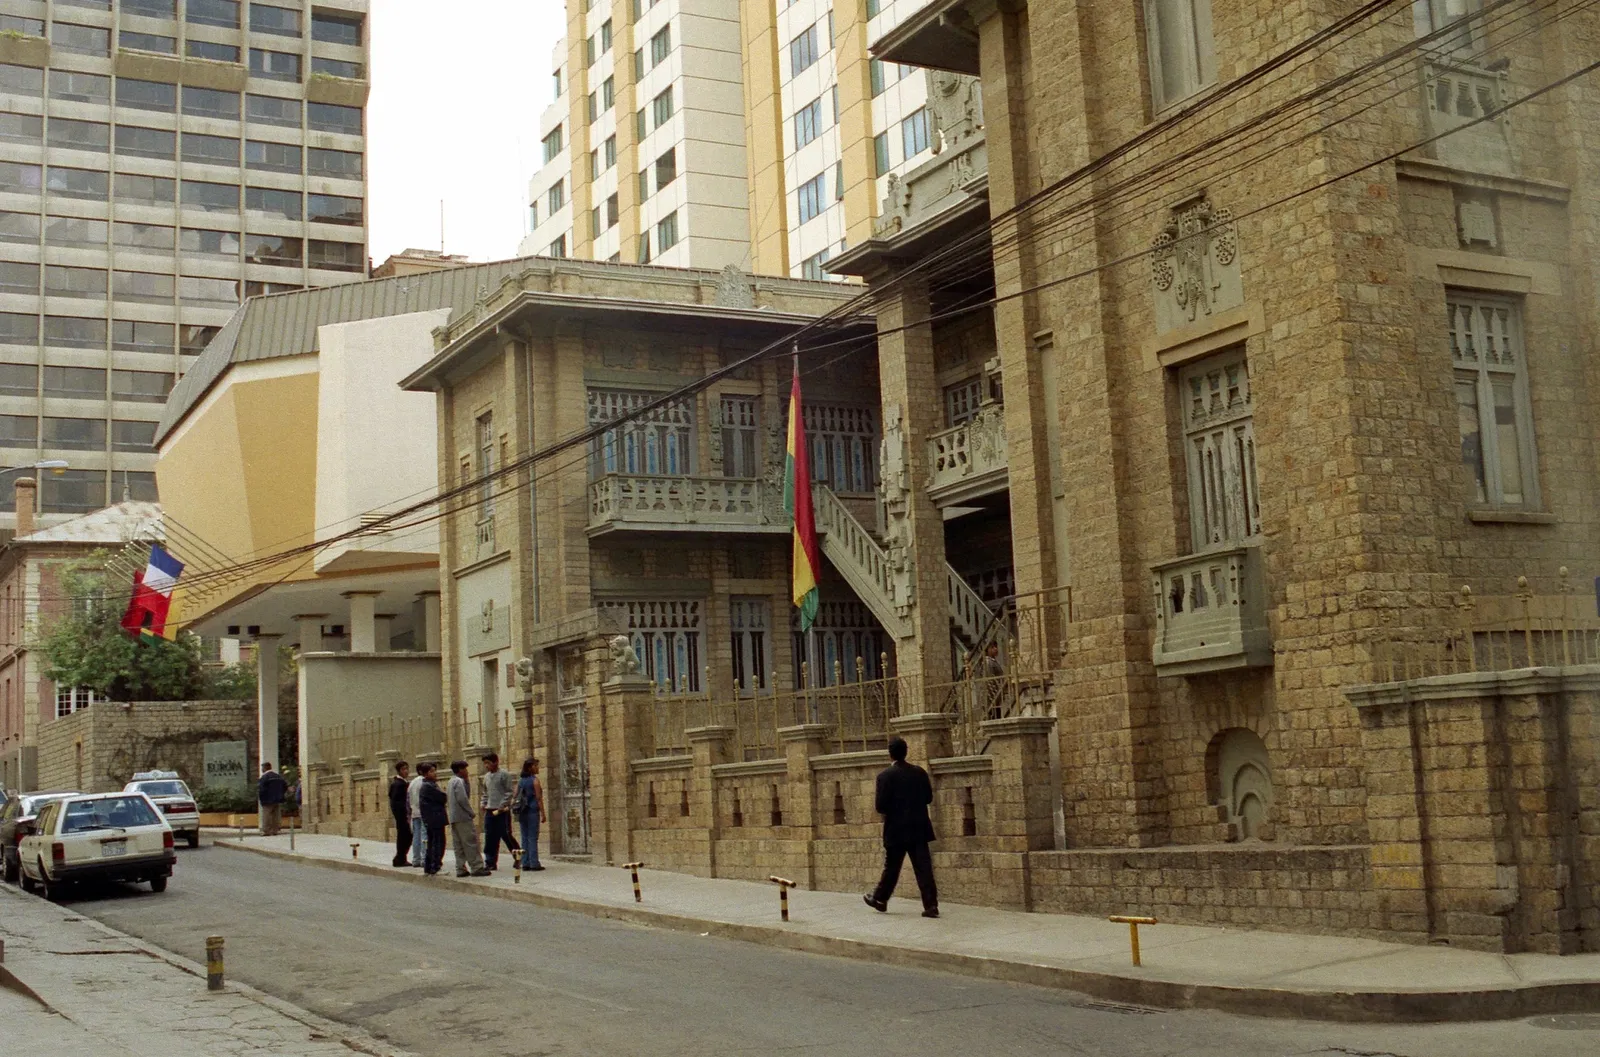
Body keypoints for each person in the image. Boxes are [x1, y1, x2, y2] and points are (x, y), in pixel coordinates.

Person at [863, 736, 939, 918]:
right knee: (924, 868)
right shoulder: (919, 772)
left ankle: (880, 898)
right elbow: (928, 798)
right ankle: (931, 906)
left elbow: (880, 806)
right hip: (919, 828)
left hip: (896, 830)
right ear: (906, 752)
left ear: (890, 754)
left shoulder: (884, 776)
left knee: (892, 867)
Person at [446, 760, 490, 877]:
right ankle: (476, 867)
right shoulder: (458, 782)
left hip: (454, 817)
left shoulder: (451, 781)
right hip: (463, 816)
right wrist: (471, 812)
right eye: (465, 769)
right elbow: (463, 799)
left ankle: (460, 868)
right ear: (460, 770)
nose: (466, 772)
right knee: (470, 842)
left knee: (458, 844)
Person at [479, 752, 520, 871]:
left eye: (488, 763)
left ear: (495, 762)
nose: (486, 766)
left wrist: (502, 805)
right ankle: (490, 862)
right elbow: (485, 793)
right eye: (485, 763)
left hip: (502, 811)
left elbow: (509, 792)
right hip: (490, 810)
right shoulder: (486, 777)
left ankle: (518, 857)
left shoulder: (504, 775)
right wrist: (483, 803)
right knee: (490, 836)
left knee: (506, 835)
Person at [515, 757, 547, 871]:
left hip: (522, 812)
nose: (537, 768)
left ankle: (525, 862)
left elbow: (515, 796)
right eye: (535, 766)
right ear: (530, 767)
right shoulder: (535, 781)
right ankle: (534, 863)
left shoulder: (521, 781)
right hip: (533, 811)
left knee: (524, 837)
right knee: (532, 837)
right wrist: (543, 813)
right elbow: (539, 798)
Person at [417, 763, 448, 876]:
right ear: (425, 774)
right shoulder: (428, 786)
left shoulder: (430, 785)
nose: (435, 773)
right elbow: (442, 797)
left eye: (434, 771)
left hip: (433, 819)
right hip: (434, 819)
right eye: (431, 771)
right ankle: (435, 866)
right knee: (437, 843)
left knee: (433, 843)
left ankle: (430, 867)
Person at [387, 760, 412, 867]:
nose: (406, 771)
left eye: (407, 768)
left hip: (401, 817)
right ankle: (400, 858)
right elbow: (397, 802)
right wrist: (404, 816)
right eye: (403, 769)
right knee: (405, 837)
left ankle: (400, 858)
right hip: (402, 817)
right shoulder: (399, 784)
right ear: (399, 771)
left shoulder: (399, 783)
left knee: (404, 837)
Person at [258, 762, 288, 837]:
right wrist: (281, 794)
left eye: (262, 768)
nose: (261, 769)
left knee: (267, 815)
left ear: (265, 768)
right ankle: (275, 830)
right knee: (276, 815)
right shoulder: (278, 776)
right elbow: (285, 786)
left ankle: (266, 831)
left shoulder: (264, 777)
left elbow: (262, 789)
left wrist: (262, 799)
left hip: (267, 799)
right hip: (277, 799)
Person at [407, 764, 427, 868]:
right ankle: (424, 859)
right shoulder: (424, 782)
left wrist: (409, 813)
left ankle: (416, 859)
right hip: (423, 812)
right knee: (424, 836)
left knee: (416, 836)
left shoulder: (412, 783)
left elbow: (408, 799)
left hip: (414, 812)